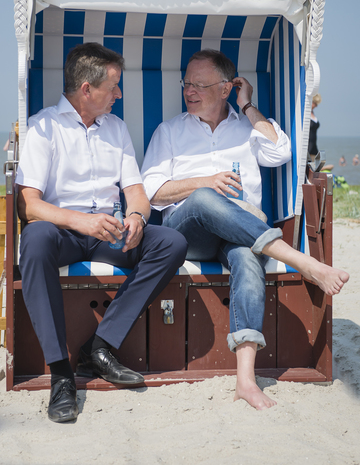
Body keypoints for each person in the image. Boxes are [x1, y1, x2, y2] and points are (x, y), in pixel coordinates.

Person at [141, 49, 349, 411]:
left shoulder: (247, 129)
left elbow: (281, 152)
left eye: (199, 84)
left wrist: (249, 106)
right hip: (186, 233)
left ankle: (246, 380)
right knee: (206, 197)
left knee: (248, 259)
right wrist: (204, 183)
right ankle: (303, 261)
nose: (189, 90)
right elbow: (150, 192)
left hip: (241, 230)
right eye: (186, 83)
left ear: (226, 89)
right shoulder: (169, 131)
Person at [15, 43, 188, 423]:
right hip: (64, 232)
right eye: (114, 86)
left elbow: (136, 191)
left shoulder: (117, 127)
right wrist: (81, 221)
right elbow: (28, 205)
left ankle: (100, 346)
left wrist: (139, 218)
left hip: (110, 232)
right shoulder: (44, 127)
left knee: (172, 242)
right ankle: (62, 374)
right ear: (86, 89)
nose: (119, 94)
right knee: (36, 237)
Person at [308, 94, 321, 161]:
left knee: (314, 167)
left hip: (314, 146)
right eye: (315, 104)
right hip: (307, 145)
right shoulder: (306, 113)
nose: (316, 106)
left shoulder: (313, 113)